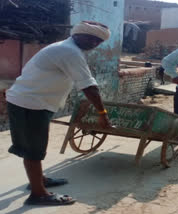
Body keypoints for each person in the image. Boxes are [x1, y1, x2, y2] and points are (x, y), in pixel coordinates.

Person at [5, 21, 112, 206]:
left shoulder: (66, 48)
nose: (94, 43)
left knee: (33, 147)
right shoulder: (69, 52)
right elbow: (89, 87)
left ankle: (39, 180)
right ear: (77, 34)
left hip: (32, 102)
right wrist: (102, 113)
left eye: (99, 41)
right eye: (91, 38)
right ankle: (38, 194)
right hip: (30, 104)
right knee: (34, 150)